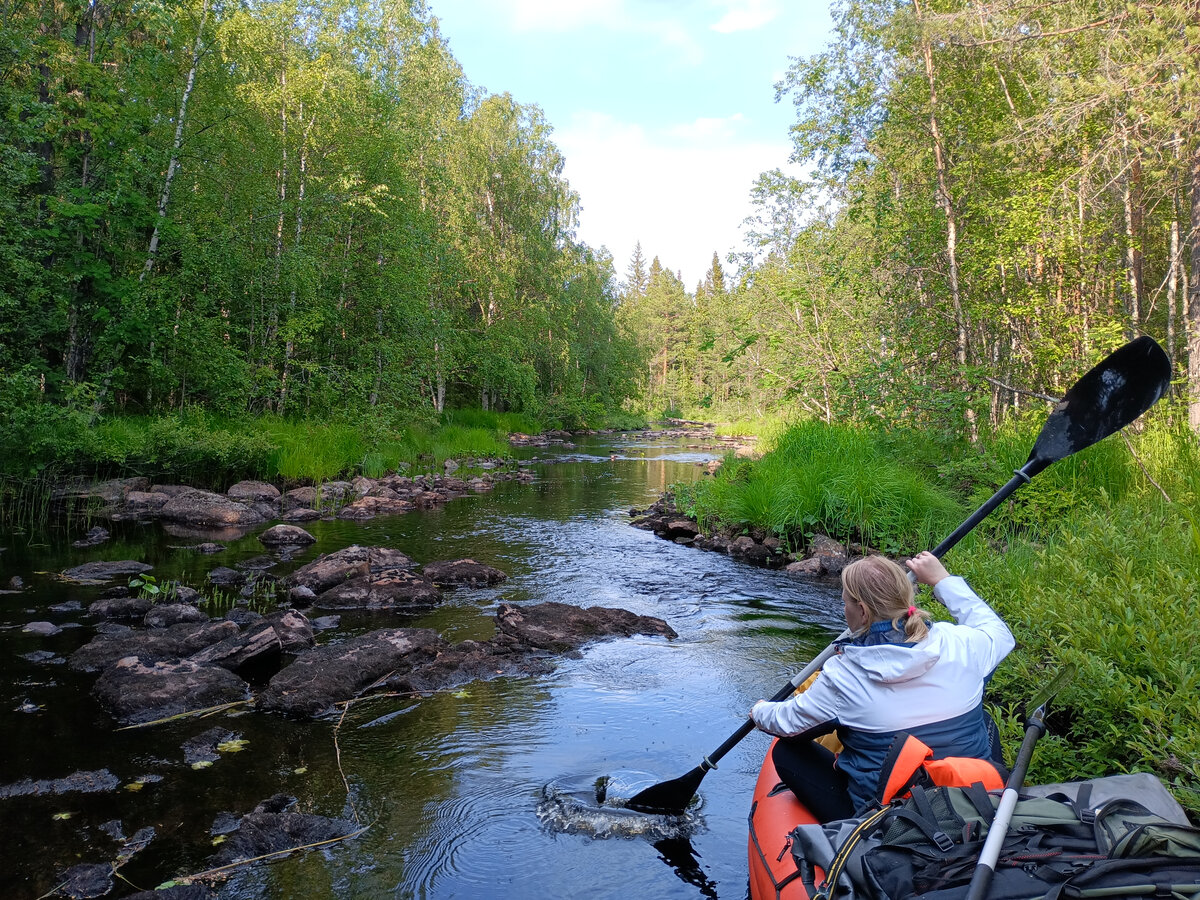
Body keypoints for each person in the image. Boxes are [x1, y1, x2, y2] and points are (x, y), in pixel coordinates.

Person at [750, 551, 1015, 821]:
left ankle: (848, 829)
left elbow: (788, 723)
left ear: (862, 611)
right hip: (971, 801)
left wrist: (759, 711)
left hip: (887, 819)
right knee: (983, 719)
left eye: (845, 603)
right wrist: (942, 580)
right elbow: (1000, 635)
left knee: (787, 751)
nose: (844, 610)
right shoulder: (960, 642)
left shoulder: (843, 675)